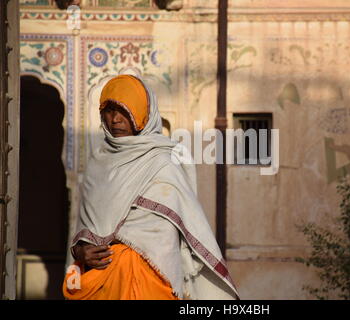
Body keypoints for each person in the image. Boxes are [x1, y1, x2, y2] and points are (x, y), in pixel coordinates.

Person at [63, 74, 238, 300]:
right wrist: (81, 251)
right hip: (103, 285)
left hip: (152, 284)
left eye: (124, 110)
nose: (115, 119)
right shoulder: (98, 165)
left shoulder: (165, 162)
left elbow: (187, 232)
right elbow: (84, 233)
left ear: (144, 114)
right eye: (109, 110)